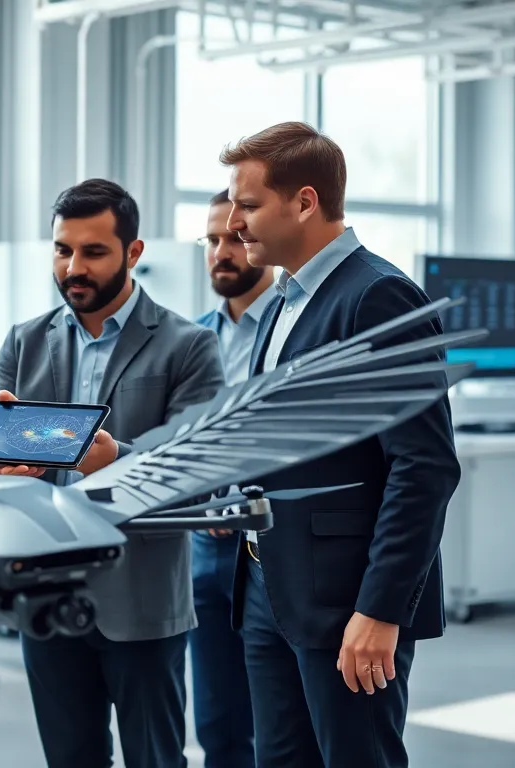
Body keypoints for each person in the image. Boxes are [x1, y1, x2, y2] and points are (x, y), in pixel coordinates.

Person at [220, 121, 460, 767]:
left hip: (345, 602)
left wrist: (381, 610)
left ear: (304, 201)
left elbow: (425, 466)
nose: (235, 223)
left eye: (248, 204)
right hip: (270, 586)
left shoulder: (377, 296)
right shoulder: (282, 301)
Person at [0, 178, 224, 768]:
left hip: (140, 596)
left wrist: (117, 461)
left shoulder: (189, 346)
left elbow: (198, 469)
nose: (73, 267)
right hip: (45, 595)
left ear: (133, 253)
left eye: (93, 251)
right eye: (62, 250)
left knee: (155, 759)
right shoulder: (25, 342)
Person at [187, 188, 273, 768]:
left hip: (270, 549)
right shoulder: (189, 341)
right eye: (213, 239)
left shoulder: (297, 331)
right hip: (202, 549)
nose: (223, 251)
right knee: (217, 724)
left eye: (237, 238)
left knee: (282, 722)